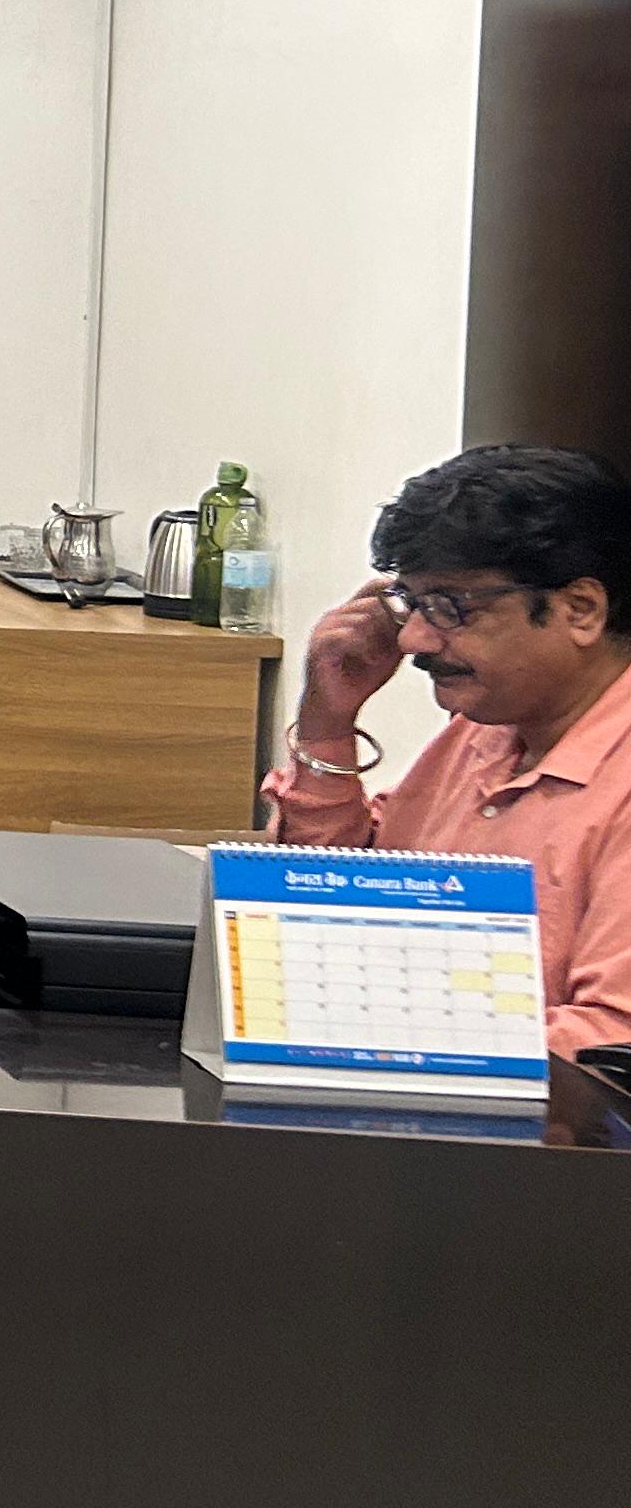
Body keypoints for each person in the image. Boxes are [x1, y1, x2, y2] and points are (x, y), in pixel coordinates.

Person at [268, 444, 631, 1053]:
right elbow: (329, 902)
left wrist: (380, 1039)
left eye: (450, 608)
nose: (412, 639)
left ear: (580, 610)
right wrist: (328, 722)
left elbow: (609, 1046)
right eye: (411, 604)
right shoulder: (486, 731)